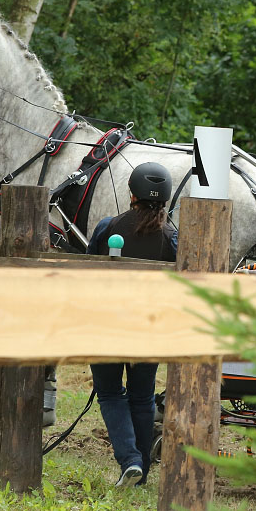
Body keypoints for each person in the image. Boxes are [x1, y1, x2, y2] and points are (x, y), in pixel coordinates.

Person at [86, 162, 177, 487]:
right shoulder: (172, 237)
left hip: (106, 326)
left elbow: (87, 267)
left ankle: (130, 460)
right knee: (142, 398)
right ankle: (140, 475)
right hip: (149, 330)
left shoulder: (109, 227)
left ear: (132, 194)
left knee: (110, 394)